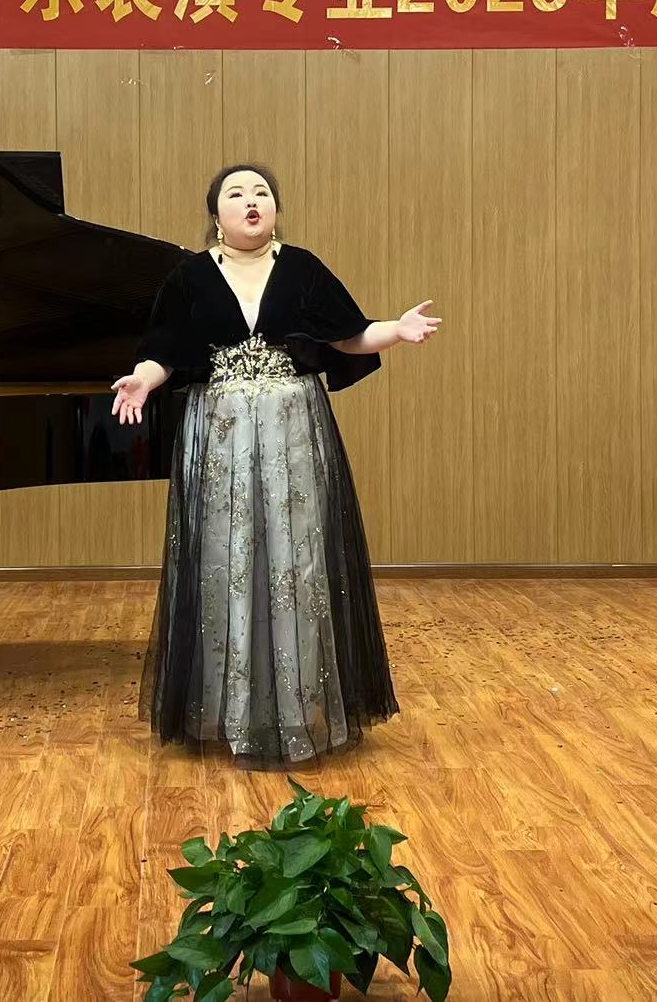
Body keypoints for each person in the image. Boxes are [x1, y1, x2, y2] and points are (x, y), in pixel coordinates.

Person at [112, 166, 440, 766]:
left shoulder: (302, 268)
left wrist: (397, 329)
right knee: (225, 558)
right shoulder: (188, 276)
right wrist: (144, 379)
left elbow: (348, 336)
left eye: (261, 192)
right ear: (216, 215)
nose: (251, 201)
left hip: (293, 430)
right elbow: (166, 351)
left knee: (298, 559)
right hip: (220, 434)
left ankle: (298, 710)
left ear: (275, 209)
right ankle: (228, 711)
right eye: (236, 193)